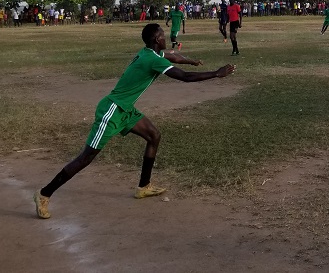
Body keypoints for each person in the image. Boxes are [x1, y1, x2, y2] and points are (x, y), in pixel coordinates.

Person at [33, 23, 235, 219]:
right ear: (157, 39)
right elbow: (185, 77)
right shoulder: (152, 60)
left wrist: (190, 60)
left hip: (126, 109)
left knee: (154, 135)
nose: (166, 38)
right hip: (112, 111)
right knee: (85, 158)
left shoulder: (151, 53)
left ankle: (143, 187)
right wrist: (216, 73)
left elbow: (173, 57)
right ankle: (44, 194)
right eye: (163, 35)